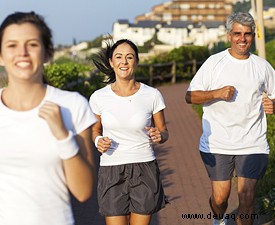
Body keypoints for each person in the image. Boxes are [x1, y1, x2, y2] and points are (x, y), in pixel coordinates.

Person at [0, 12, 97, 225]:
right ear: (0, 55)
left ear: (47, 53)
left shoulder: (72, 105)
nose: (22, 53)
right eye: (12, 45)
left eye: (32, 44)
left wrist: (63, 136)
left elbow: (83, 191)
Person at [185, 12, 275, 225]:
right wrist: (215, 93)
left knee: (247, 196)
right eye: (237, 34)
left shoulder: (262, 66)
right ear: (229, 35)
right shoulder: (214, 63)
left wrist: (273, 104)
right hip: (218, 142)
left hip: (252, 142)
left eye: (247, 34)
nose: (242, 39)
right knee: (220, 198)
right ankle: (219, 219)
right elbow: (190, 96)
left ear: (253, 35)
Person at [89, 39, 169, 225]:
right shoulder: (99, 97)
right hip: (111, 169)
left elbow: (164, 131)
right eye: (118, 57)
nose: (124, 62)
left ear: (136, 61)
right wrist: (97, 141)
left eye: (129, 57)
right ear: (111, 62)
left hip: (144, 167)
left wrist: (160, 136)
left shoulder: (152, 95)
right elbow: (95, 129)